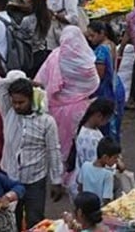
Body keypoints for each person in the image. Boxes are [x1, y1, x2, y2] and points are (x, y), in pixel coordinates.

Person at [0, 73, 65, 228]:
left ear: (31, 99)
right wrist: (26, 81)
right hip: (10, 177)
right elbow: (1, 86)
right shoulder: (8, 112)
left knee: (36, 220)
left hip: (35, 179)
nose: (17, 106)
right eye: (15, 102)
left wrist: (56, 181)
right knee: (11, 219)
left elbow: (54, 151)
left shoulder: (46, 121)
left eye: (21, 102)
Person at [39, 26, 100, 173]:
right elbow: (94, 82)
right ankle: (73, 175)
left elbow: (41, 80)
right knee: (75, 143)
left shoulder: (55, 56)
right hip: (79, 109)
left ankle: (57, 174)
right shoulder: (85, 60)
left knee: (57, 142)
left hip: (55, 109)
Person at [85, 21, 126, 141]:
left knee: (106, 125)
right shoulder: (111, 44)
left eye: (92, 35)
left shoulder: (101, 50)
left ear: (102, 33)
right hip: (116, 84)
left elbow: (99, 75)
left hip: (107, 89)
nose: (90, 39)